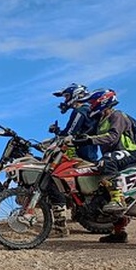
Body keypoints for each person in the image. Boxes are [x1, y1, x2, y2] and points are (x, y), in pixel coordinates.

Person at [72, 88, 136, 243]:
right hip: (113, 156)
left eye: (92, 102)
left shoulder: (117, 115)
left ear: (102, 101)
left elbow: (112, 136)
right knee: (102, 189)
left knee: (106, 161)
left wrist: (90, 140)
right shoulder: (101, 119)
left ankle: (118, 199)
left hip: (128, 152)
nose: (90, 105)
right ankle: (118, 232)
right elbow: (89, 134)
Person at [47, 83, 98, 237]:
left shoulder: (80, 111)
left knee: (54, 179)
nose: (65, 100)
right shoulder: (86, 110)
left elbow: (70, 132)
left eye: (67, 96)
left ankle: (61, 227)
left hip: (84, 155)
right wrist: (58, 131)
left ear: (76, 95)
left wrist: (58, 137)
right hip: (88, 153)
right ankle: (76, 212)